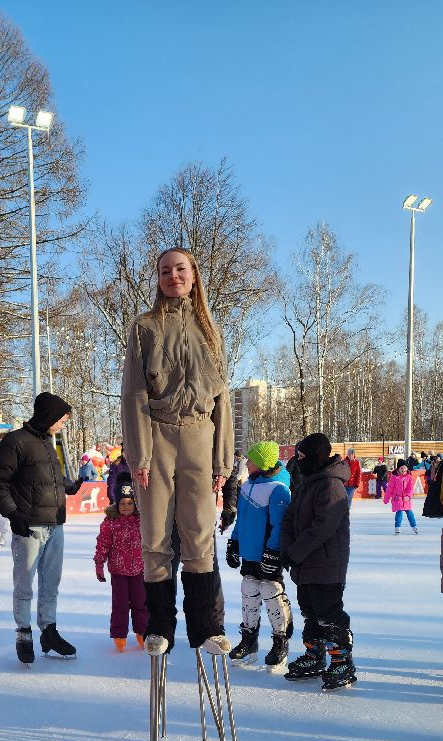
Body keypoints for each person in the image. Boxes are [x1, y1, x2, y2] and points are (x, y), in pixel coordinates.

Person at [121, 247, 234, 657]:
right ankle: (160, 627)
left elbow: (223, 399)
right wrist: (141, 456)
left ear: (194, 274)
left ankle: (206, 628)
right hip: (158, 434)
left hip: (201, 437)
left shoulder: (211, 329)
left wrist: (222, 461)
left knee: (200, 536)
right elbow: (134, 394)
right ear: (158, 279)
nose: (173, 276)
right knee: (155, 536)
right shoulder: (144, 326)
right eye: (165, 271)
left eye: (180, 269)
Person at [0, 392, 83, 663]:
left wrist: (68, 486)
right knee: (25, 585)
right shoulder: (15, 441)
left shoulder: (46, 441)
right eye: (62, 418)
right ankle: (23, 633)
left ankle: (48, 630)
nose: (64, 422)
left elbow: (46, 477)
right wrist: (12, 514)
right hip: (29, 526)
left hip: (56, 524)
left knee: (51, 583)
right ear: (49, 415)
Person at [280, 432, 356, 691]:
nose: (298, 461)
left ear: (315, 457)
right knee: (310, 611)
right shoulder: (308, 483)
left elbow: (323, 527)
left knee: (328, 613)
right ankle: (315, 654)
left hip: (326, 564)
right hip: (306, 564)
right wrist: (287, 548)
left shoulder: (331, 486)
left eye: (302, 456)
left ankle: (342, 658)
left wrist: (295, 552)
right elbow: (289, 518)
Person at [225, 441, 293, 667]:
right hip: (249, 553)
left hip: (267, 554)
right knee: (249, 590)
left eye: (251, 460)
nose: (248, 463)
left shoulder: (278, 489)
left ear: (262, 464)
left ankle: (280, 641)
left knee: (270, 591)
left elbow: (280, 525)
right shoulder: (247, 486)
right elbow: (241, 519)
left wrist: (273, 552)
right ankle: (249, 640)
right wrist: (234, 543)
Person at [94, 472, 148, 651]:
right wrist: (99, 564)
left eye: (130, 503)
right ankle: (119, 634)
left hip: (139, 569)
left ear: (135, 503)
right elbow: (103, 544)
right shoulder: (110, 522)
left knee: (141, 603)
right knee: (120, 605)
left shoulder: (141, 520)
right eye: (122, 504)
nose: (126, 507)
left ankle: (143, 632)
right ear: (116, 504)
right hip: (118, 571)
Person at [383, 460, 417, 534]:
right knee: (399, 513)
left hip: (406, 499)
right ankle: (397, 527)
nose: (403, 470)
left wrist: (408, 495)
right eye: (401, 468)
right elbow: (390, 489)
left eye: (405, 468)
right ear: (398, 469)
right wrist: (386, 499)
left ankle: (414, 526)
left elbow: (410, 488)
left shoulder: (409, 477)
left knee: (410, 513)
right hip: (397, 499)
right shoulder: (394, 477)